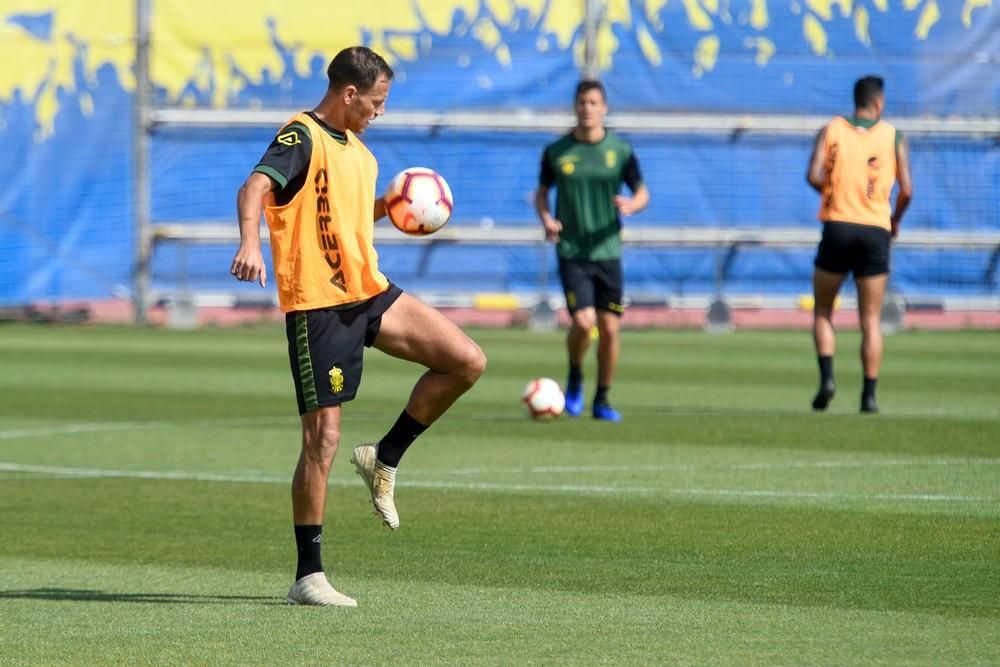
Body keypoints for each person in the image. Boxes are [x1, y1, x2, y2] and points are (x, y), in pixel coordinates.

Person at [230, 46, 486, 607]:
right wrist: (250, 241)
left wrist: (393, 206)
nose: (380, 111)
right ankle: (309, 577)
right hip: (319, 306)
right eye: (376, 101)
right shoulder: (301, 136)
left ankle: (385, 457)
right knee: (321, 441)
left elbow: (347, 215)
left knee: (466, 361)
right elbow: (255, 188)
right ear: (349, 94)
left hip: (368, 292)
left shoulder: (362, 155)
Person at [533, 79, 649, 422]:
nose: (587, 108)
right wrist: (546, 218)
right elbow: (542, 193)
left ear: (604, 108)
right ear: (575, 106)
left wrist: (632, 205)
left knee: (610, 329)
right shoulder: (557, 152)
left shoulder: (620, 151)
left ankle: (602, 399)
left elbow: (643, 192)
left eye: (594, 103)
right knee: (584, 324)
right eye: (582, 102)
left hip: (608, 251)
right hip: (572, 250)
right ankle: (575, 374)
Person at [806, 75, 913, 414]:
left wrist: (834, 195)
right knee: (870, 318)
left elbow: (813, 174)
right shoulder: (894, 136)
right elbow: (907, 189)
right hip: (875, 231)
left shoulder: (832, 129)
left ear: (857, 100)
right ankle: (869, 396)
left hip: (837, 226)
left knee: (824, 309)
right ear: (878, 102)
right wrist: (894, 219)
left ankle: (827, 379)